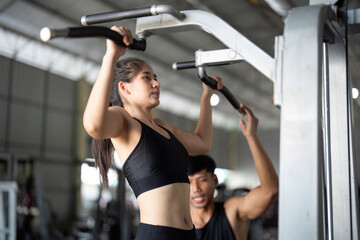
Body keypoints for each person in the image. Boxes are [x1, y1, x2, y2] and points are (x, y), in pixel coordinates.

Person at [82, 25, 223, 240]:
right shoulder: (123, 120)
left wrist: (206, 97)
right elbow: (93, 124)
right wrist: (111, 56)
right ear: (125, 88)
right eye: (146, 78)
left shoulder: (162, 126)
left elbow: (203, 143)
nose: (156, 83)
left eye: (154, 77)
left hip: (188, 235)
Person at [188, 105, 279, 240]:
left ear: (215, 181)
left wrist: (251, 136)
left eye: (202, 180)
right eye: (189, 182)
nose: (196, 189)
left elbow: (270, 190)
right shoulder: (177, 223)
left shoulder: (232, 212)